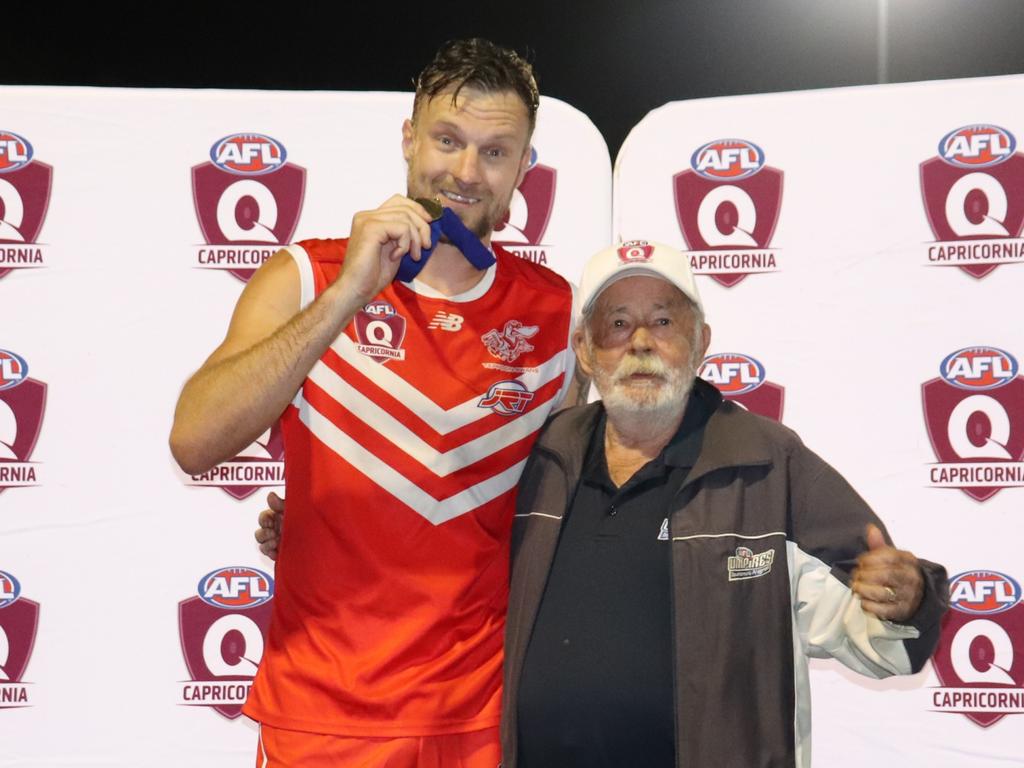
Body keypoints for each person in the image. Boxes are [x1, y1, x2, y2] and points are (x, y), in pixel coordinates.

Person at [171, 38, 585, 767]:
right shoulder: (309, 274)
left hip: (482, 720)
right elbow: (195, 439)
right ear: (408, 139)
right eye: (447, 140)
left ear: (525, 168)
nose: (464, 171)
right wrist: (348, 296)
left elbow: (565, 515)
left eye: (495, 151)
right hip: (322, 717)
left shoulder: (554, 314)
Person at [498, 240, 949, 767]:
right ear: (584, 348)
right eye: (618, 324)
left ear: (701, 341)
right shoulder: (545, 455)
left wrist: (907, 601)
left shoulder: (768, 463)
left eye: (663, 321)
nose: (640, 342)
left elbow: (881, 639)